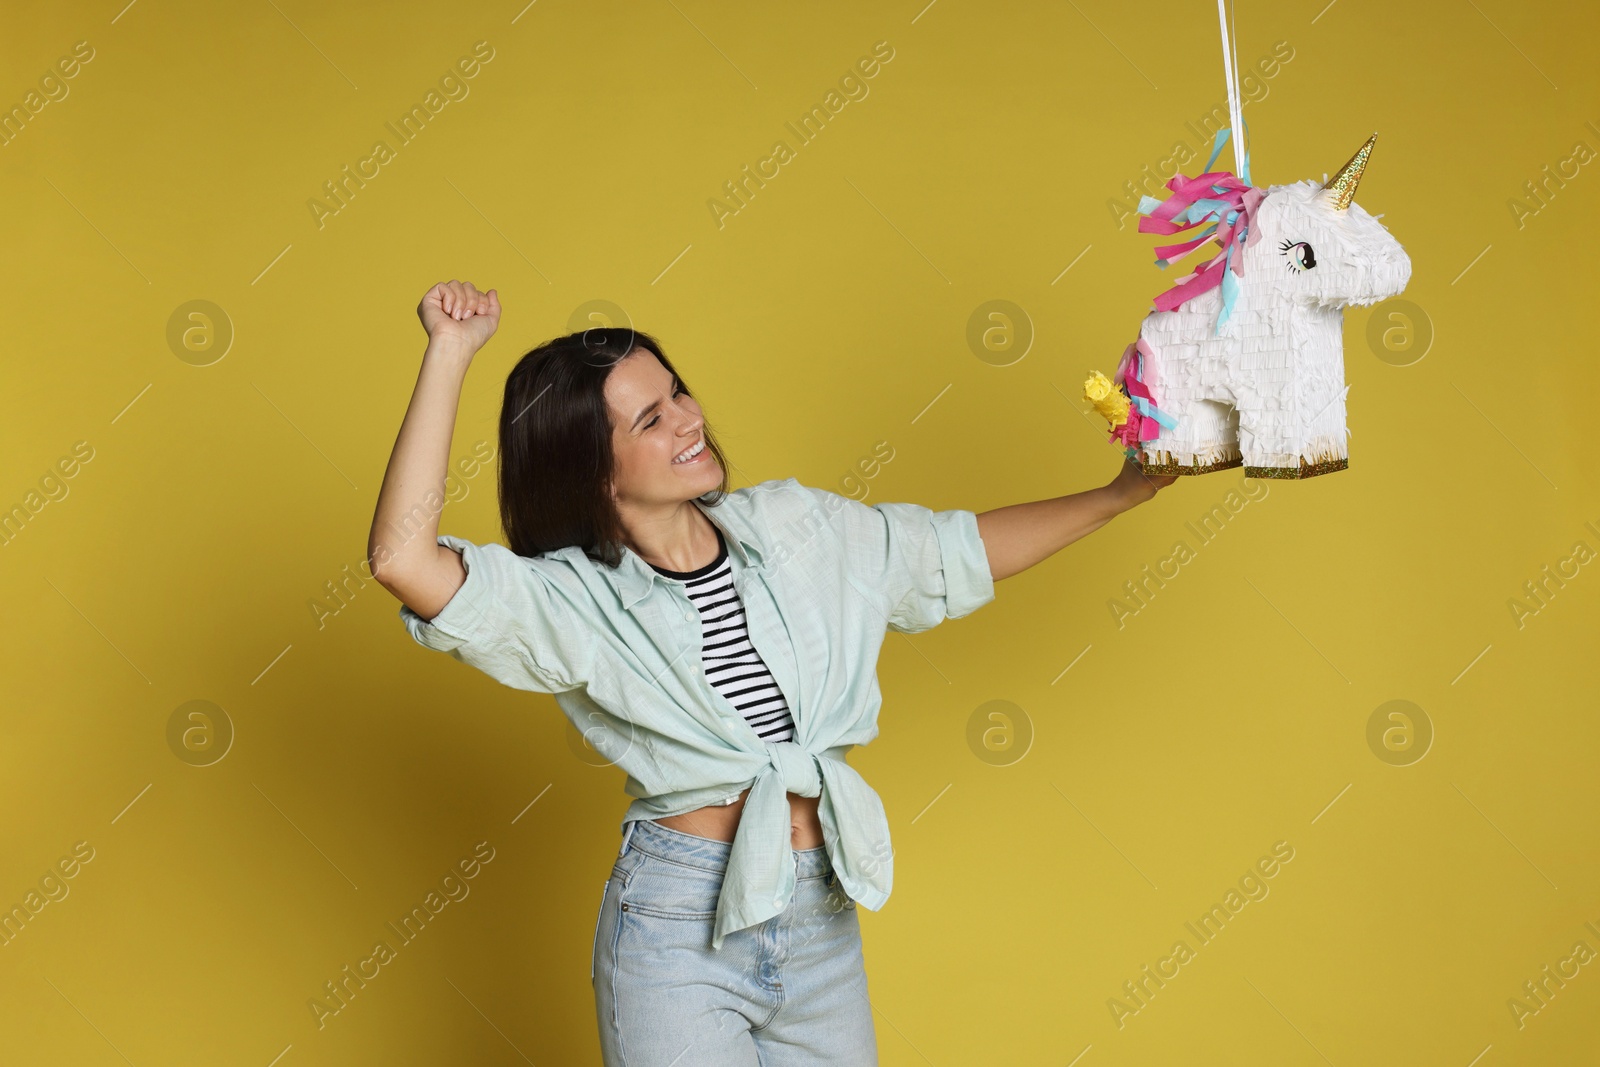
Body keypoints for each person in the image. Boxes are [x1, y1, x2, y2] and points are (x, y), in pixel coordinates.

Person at [368, 279, 1176, 1066]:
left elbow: (951, 553)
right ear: (596, 472)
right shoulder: (570, 599)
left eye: (678, 393)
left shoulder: (794, 525)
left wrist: (1122, 494)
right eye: (652, 419)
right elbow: (402, 557)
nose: (690, 420)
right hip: (677, 928)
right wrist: (450, 352)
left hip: (819, 909)